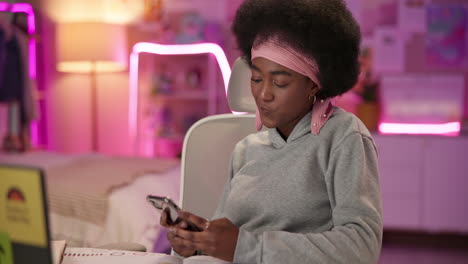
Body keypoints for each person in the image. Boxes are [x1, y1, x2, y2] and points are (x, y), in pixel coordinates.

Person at [160, 0, 383, 263]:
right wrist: (197, 241)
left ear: (314, 85)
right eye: (256, 79)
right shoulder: (246, 150)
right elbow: (227, 238)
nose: (263, 94)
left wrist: (248, 247)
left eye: (280, 82)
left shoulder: (343, 137)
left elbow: (362, 247)